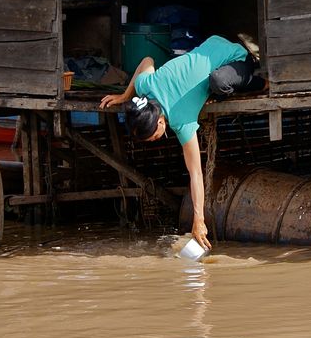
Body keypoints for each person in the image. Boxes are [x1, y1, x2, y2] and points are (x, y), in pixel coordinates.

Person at [99, 35, 263, 250]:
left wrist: (199, 219)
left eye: (154, 136)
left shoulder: (182, 119)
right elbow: (146, 61)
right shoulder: (146, 87)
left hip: (236, 59)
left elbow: (196, 173)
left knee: (219, 83)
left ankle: (260, 82)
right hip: (211, 43)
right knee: (214, 83)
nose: (156, 140)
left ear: (160, 121)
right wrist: (124, 96)